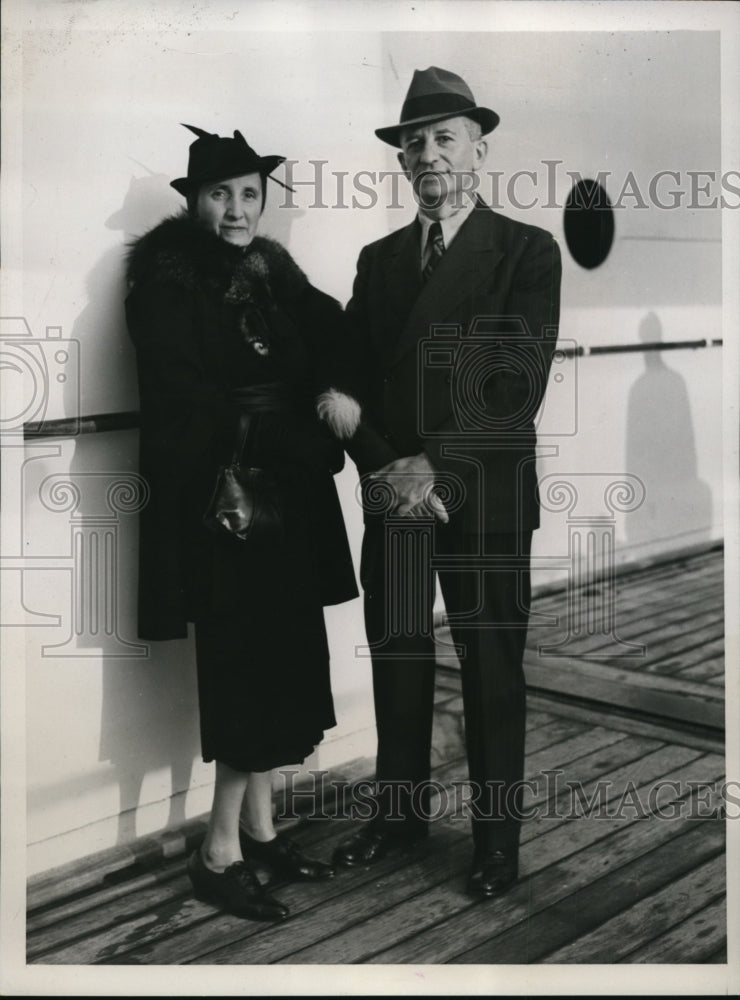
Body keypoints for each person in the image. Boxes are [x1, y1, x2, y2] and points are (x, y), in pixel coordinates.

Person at [334, 67, 562, 898]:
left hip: (485, 493)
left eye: (443, 137)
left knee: (492, 668)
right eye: (412, 142)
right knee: (397, 654)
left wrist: (435, 465)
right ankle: (400, 818)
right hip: (397, 491)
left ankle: (495, 843)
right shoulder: (379, 259)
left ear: (479, 149)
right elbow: (353, 382)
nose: (426, 153)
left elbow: (517, 382)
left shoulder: (526, 251)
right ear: (401, 161)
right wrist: (388, 467)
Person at [125, 125, 360, 921]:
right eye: (220, 195)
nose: (236, 210)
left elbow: (335, 331)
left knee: (286, 664)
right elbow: (182, 409)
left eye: (249, 195)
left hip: (285, 503)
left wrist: (335, 390)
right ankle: (217, 850)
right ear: (193, 202)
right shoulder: (164, 287)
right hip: (226, 512)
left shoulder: (272, 273)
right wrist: (287, 434)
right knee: (247, 673)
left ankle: (259, 828)